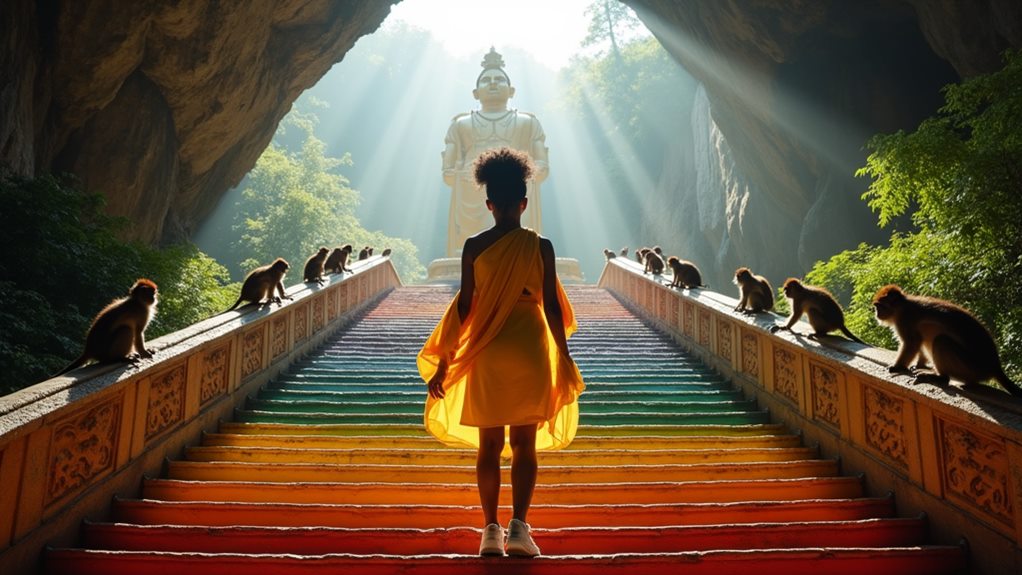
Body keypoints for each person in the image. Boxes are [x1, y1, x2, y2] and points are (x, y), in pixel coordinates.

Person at [418, 147, 584, 557]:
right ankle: (519, 530)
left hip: (485, 350)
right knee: (524, 445)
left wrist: (444, 360)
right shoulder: (540, 245)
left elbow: (463, 307)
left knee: (488, 446)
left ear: (489, 204)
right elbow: (550, 306)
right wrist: (563, 356)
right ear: (523, 203)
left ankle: (489, 530)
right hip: (528, 346)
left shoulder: (474, 245)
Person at [442, 48, 549, 257]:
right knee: (473, 245)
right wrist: (459, 175)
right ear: (475, 92)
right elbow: (447, 171)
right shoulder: (460, 124)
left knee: (518, 237)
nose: (492, 83)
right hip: (471, 192)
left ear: (511, 90)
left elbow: (542, 166)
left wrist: (521, 175)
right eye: (486, 80)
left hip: (516, 189)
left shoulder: (528, 122)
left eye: (499, 79)